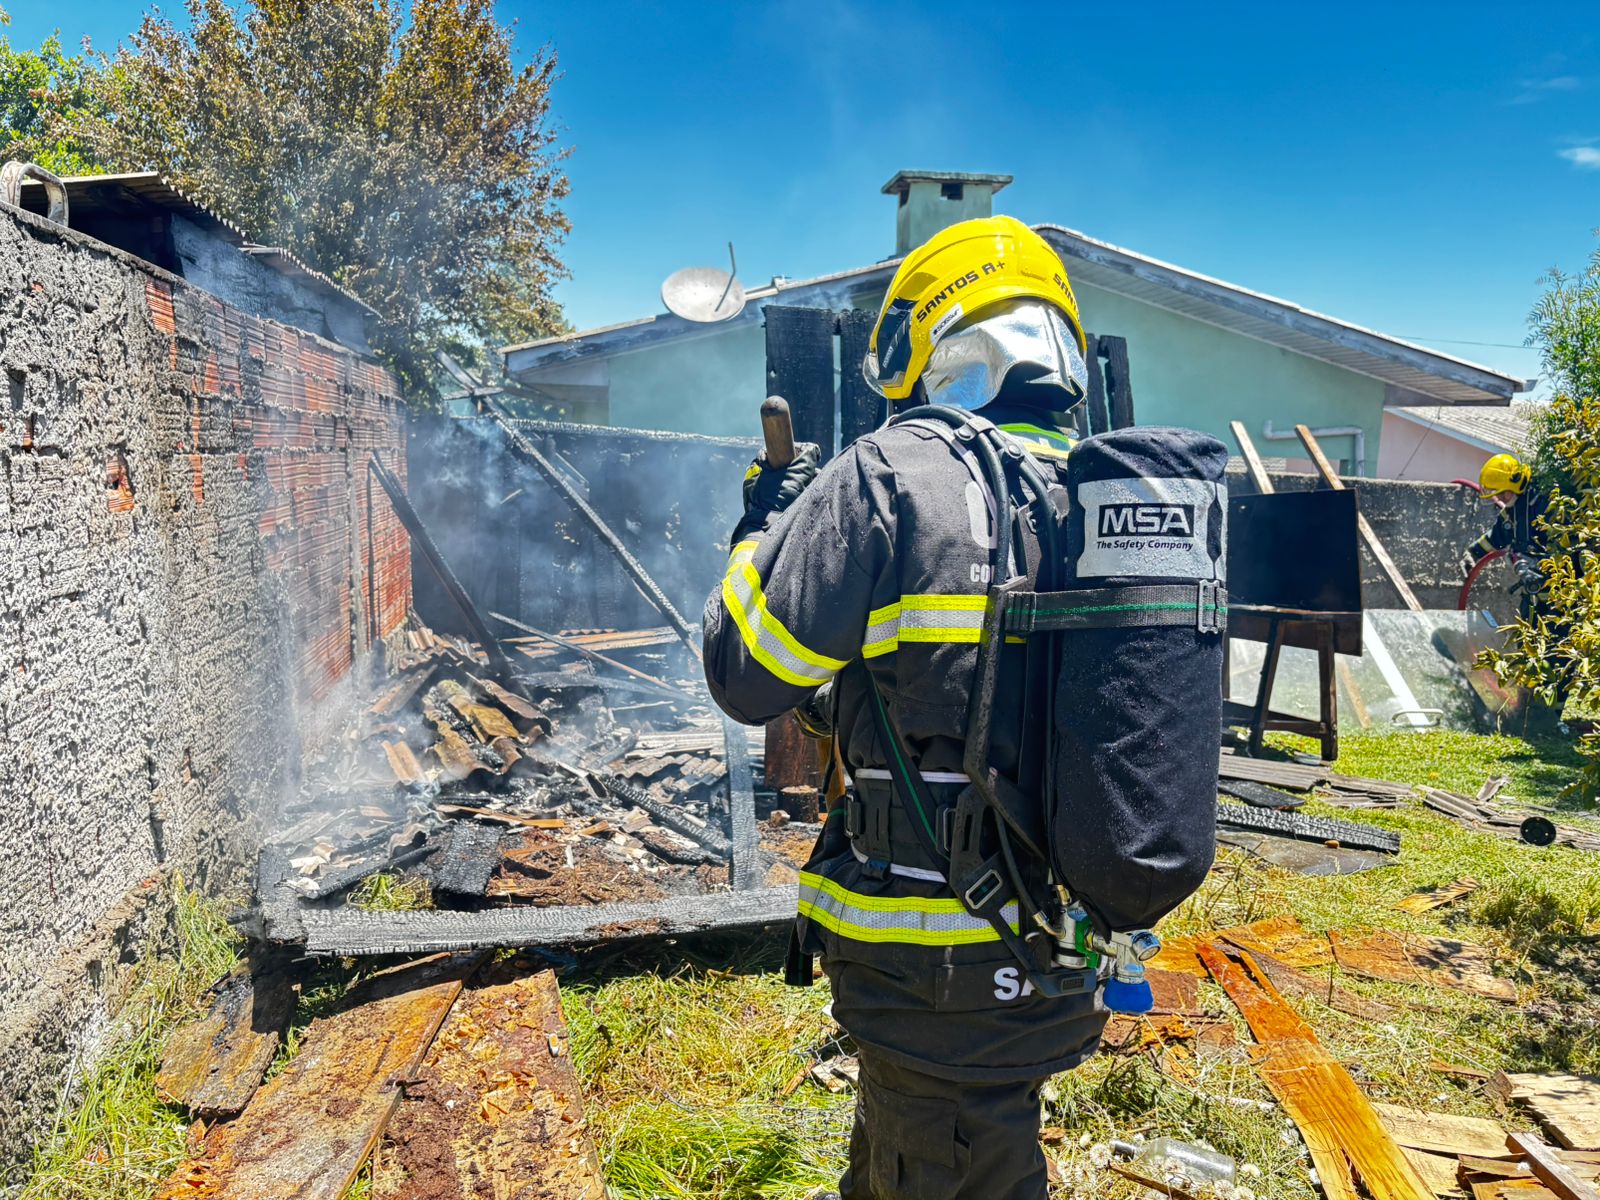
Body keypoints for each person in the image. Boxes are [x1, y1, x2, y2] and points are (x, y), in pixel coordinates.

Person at [702, 217, 1110, 1200]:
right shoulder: (1103, 494)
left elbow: (745, 673)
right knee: (944, 1141)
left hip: (935, 959)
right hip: (1058, 935)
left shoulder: (892, 475)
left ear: (934, 343)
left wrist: (763, 526)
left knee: (944, 1153)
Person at [1460, 452, 1550, 606]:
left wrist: (1538, 564)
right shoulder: (1512, 510)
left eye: (1502, 493)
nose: (1500, 498)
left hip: (1558, 595)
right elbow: (1496, 537)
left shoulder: (1543, 504)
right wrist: (1473, 554)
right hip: (1532, 592)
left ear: (1514, 484)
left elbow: (1565, 547)